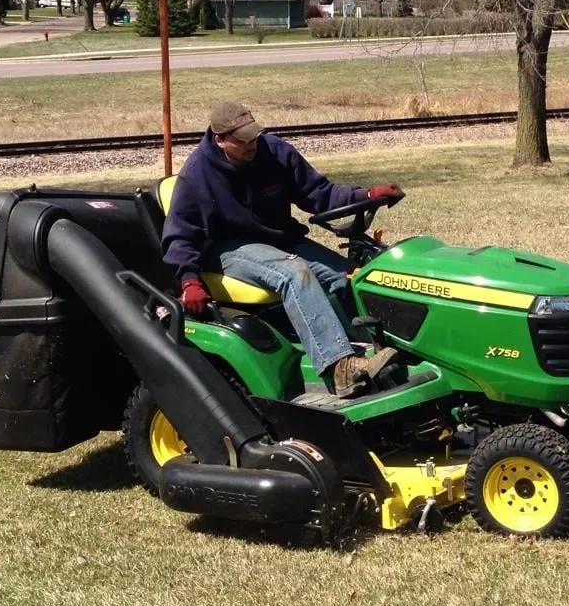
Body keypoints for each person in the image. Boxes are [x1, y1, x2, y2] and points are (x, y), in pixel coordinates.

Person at [162, 101, 404, 398]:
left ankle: (369, 352)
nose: (252, 145)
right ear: (220, 140)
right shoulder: (198, 173)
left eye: (253, 136)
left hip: (278, 239)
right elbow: (180, 234)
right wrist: (189, 279)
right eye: (242, 141)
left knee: (344, 275)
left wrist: (366, 194)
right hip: (228, 248)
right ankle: (340, 369)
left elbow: (319, 193)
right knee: (294, 274)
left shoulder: (273, 151)